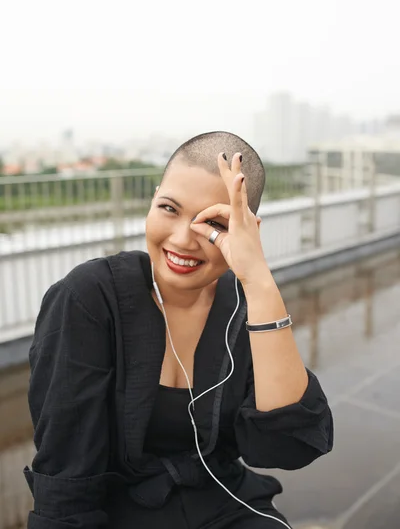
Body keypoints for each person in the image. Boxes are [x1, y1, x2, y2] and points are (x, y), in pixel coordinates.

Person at [24, 131, 333, 529]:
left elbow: (289, 446)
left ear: (246, 230)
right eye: (169, 208)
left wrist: (259, 282)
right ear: (153, 199)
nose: (184, 239)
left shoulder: (243, 306)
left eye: (214, 223)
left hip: (223, 502)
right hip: (117, 511)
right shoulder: (88, 299)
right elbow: (66, 480)